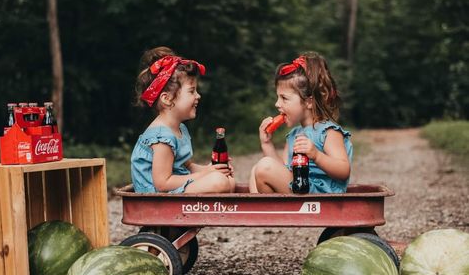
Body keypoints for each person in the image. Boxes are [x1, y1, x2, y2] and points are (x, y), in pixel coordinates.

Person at [131, 46, 234, 193]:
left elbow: (188, 167)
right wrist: (207, 175)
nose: (198, 96)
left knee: (227, 180)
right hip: (157, 200)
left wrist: (212, 168)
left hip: (174, 191)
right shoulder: (161, 137)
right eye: (192, 91)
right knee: (219, 183)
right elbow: (162, 184)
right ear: (167, 99)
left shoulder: (179, 129)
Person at [249, 52, 353, 194]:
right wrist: (266, 143)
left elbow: (344, 170)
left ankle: (268, 213)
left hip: (321, 195)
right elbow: (283, 171)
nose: (277, 104)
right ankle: (268, 213)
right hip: (298, 189)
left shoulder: (328, 132)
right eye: (278, 97)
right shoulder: (294, 135)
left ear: (308, 102)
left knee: (264, 166)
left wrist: (316, 155)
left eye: (284, 98)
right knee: (257, 169)